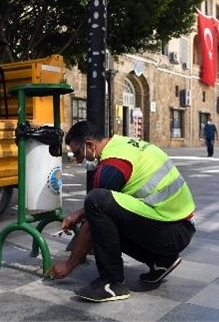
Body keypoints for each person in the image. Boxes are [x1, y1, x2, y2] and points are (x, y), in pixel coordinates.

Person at [45, 121, 196, 302]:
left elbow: (95, 216)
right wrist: (78, 214)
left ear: (90, 145)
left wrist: (69, 265)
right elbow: (114, 206)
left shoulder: (112, 166)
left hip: (171, 231)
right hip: (179, 226)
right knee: (102, 209)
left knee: (96, 202)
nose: (77, 160)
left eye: (77, 153)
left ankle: (112, 283)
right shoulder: (122, 145)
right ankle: (161, 261)